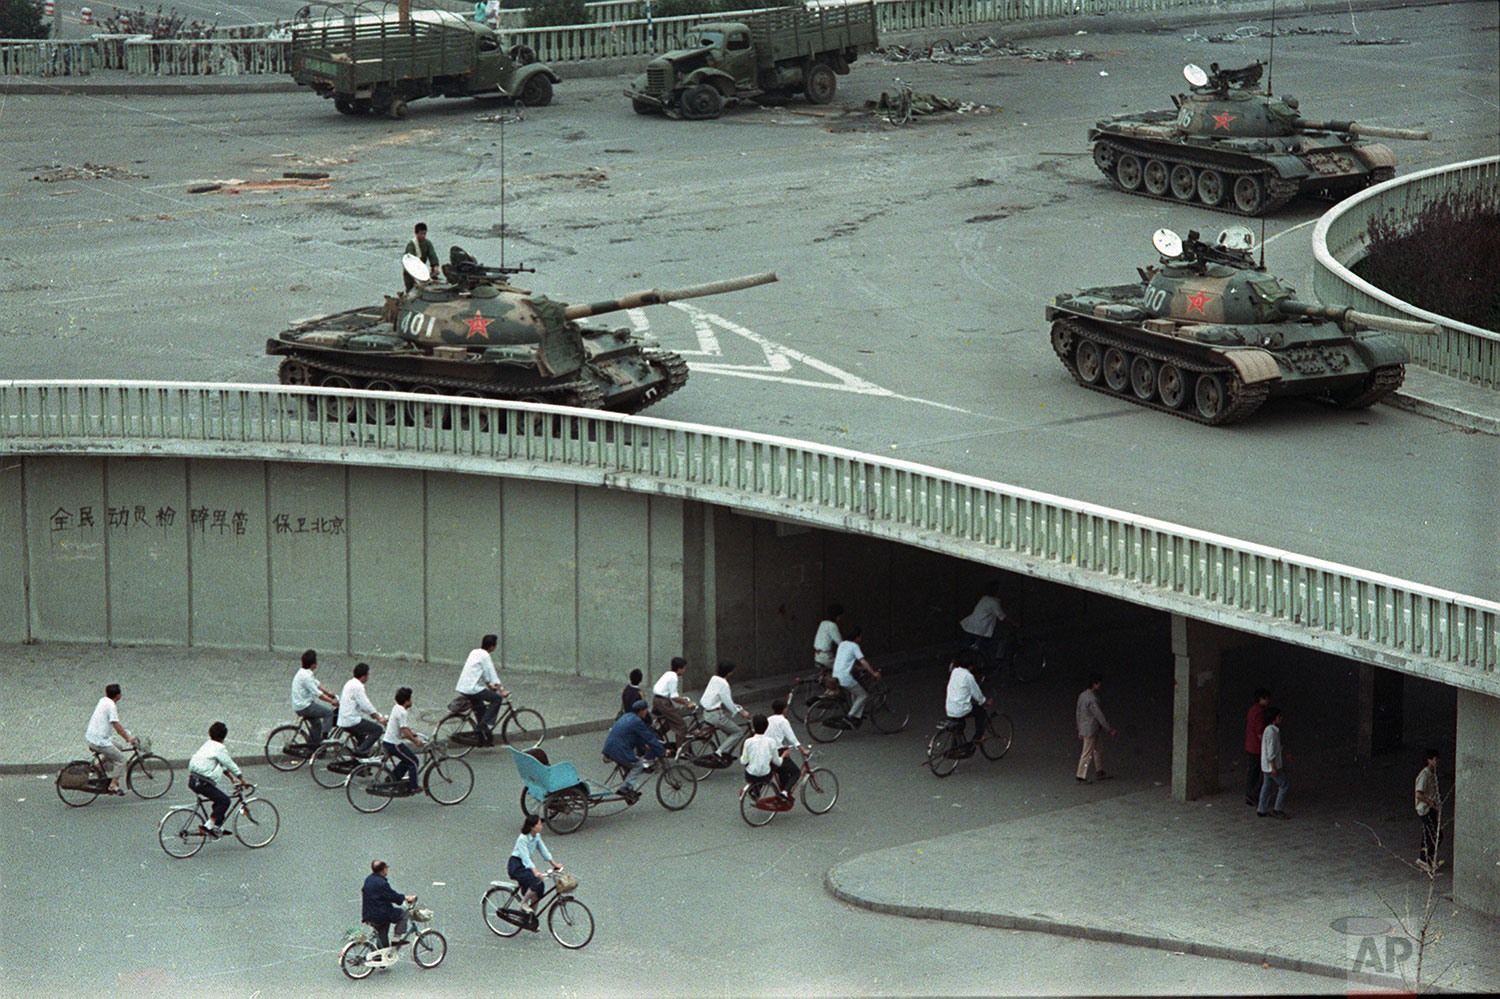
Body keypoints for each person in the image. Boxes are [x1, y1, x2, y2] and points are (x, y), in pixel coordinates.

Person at [188, 721, 249, 838]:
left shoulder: (208, 744)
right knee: (225, 801)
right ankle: (209, 825)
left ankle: (217, 826)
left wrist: (232, 778)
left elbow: (221, 764)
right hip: (202, 782)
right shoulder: (220, 748)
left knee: (218, 799)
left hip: (194, 780)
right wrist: (242, 779)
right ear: (223, 737)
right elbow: (229, 763)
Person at [602, 700, 666, 803]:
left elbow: (634, 735)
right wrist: (662, 751)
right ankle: (625, 789)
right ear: (641, 711)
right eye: (646, 710)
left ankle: (629, 793)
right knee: (638, 765)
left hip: (610, 748)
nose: (647, 712)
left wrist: (643, 746)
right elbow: (649, 737)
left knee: (629, 767)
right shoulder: (637, 721)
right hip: (619, 750)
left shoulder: (627, 716)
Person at [510, 814, 562, 927]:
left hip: (525, 865)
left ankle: (530, 919)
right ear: (532, 826)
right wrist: (535, 872)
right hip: (517, 866)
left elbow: (543, 850)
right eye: (539, 824)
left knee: (539, 889)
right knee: (536, 881)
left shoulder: (536, 836)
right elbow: (525, 858)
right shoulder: (522, 839)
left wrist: (555, 864)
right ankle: (523, 903)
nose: (541, 826)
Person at [85, 683, 138, 795]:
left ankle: (98, 767)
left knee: (118, 747)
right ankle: (113, 785)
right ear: (118, 695)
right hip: (100, 742)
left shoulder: (103, 700)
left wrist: (125, 733)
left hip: (93, 737)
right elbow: (116, 725)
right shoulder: (112, 706)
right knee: (122, 760)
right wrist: (128, 738)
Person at [959, 579, 1016, 680]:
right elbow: (1002, 616)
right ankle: (997, 659)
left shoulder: (984, 598)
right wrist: (1015, 623)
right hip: (981, 629)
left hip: (971, 626)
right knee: (1003, 638)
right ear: (997, 591)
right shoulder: (994, 602)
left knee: (979, 645)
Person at [456, 635, 507, 746]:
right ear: (492, 646)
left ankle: (483, 739)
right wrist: (501, 690)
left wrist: (489, 685)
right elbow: (492, 673)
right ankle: (481, 727)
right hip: (471, 688)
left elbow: (482, 671)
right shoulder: (485, 655)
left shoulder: (474, 652)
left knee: (481, 710)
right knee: (497, 699)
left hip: (463, 686)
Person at [831, 624, 879, 728]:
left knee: (855, 691)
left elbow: (848, 661)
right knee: (863, 695)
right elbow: (863, 661)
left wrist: (859, 669)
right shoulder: (854, 646)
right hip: (845, 677)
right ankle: (850, 716)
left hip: (835, 675)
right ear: (857, 637)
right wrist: (873, 672)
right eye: (860, 636)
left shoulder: (842, 644)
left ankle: (857, 716)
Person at [700, 660, 750, 760]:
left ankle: (725, 752)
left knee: (729, 731)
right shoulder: (724, 684)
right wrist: (742, 712)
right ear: (729, 672)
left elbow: (717, 697)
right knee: (737, 732)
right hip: (716, 716)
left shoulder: (714, 678)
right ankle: (718, 752)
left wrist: (734, 706)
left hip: (706, 713)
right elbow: (728, 703)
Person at [362, 859, 416, 950]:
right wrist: (405, 898)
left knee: (382, 935)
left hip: (369, 913)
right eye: (386, 868)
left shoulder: (369, 879)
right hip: (380, 914)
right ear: (383, 870)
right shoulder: (381, 883)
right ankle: (396, 938)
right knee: (404, 913)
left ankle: (381, 957)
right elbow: (392, 896)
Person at [945, 649, 992, 753]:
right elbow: (976, 694)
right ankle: (978, 737)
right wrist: (984, 701)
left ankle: (955, 747)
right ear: (971, 666)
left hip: (950, 707)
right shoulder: (968, 676)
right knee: (980, 712)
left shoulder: (955, 671)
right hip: (961, 709)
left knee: (959, 725)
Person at [291, 649, 339, 747]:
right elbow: (318, 694)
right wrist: (331, 701)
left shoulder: (304, 672)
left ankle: (313, 746)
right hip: (305, 707)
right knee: (328, 713)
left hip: (300, 705)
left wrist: (329, 693)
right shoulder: (306, 677)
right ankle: (324, 740)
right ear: (313, 664)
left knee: (317, 725)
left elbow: (317, 684)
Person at [338, 663, 387, 758]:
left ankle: (361, 765)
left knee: (362, 738)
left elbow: (361, 706)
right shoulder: (358, 686)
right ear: (364, 676)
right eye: (368, 675)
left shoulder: (349, 683)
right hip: (351, 720)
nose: (368, 677)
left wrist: (375, 715)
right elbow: (366, 704)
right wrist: (378, 718)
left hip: (343, 719)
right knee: (377, 730)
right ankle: (360, 753)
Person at [383, 687, 426, 793]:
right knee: (414, 761)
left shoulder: (396, 707)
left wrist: (412, 733)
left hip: (388, 741)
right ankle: (413, 786)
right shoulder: (403, 712)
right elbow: (404, 731)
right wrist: (416, 742)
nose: (411, 701)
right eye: (410, 699)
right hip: (394, 744)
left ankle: (392, 779)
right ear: (406, 701)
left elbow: (404, 728)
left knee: (406, 760)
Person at [1075, 674, 1116, 782]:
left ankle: (1099, 770)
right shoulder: (1092, 699)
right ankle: (1081, 775)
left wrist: (1079, 728)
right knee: (1087, 752)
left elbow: (1078, 713)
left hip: (1086, 728)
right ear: (1095, 684)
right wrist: (1109, 729)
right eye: (1099, 683)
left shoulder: (1082, 695)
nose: (1100, 685)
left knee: (1098, 749)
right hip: (1091, 729)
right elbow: (1099, 715)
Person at [765, 697, 810, 792]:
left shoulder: (768, 719)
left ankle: (782, 793)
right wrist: (803, 750)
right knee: (796, 772)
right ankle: (785, 793)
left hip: (766, 750)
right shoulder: (783, 721)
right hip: (777, 751)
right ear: (785, 709)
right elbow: (792, 738)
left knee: (783, 771)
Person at [740, 713, 789, 798]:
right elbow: (777, 762)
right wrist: (784, 755)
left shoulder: (748, 742)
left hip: (750, 775)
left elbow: (744, 760)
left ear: (754, 727)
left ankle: (755, 790)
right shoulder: (771, 742)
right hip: (765, 775)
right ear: (767, 727)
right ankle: (784, 792)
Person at [651, 657, 693, 751]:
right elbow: (674, 697)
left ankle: (656, 737)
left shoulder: (667, 674)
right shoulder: (673, 678)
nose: (684, 671)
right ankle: (681, 750)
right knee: (681, 724)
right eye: (684, 668)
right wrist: (688, 703)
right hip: (663, 702)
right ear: (679, 669)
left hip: (658, 700)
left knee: (670, 721)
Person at [1257, 706, 1289, 819]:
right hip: (1271, 766)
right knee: (1284, 785)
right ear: (1274, 719)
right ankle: (1277, 809)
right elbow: (1271, 751)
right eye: (1279, 717)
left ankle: (1261, 809)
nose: (1281, 718)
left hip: (1266, 766)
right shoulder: (1272, 732)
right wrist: (1273, 767)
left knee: (1267, 785)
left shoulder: (1269, 730)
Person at [1243, 687, 1271, 806]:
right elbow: (1259, 731)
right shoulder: (1259, 712)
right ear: (1261, 699)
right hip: (1256, 746)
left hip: (1249, 744)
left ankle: (1249, 794)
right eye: (1267, 698)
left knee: (1252, 772)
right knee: (1257, 773)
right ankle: (1253, 794)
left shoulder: (1252, 709)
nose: (1268, 701)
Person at [1415, 749, 1441, 872]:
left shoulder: (1432, 774)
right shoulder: (1424, 775)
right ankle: (1425, 859)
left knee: (1427, 834)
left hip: (1432, 808)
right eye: (1435, 759)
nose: (1437, 762)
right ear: (1429, 760)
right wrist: (1430, 802)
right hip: (1425, 809)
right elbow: (1418, 794)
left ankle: (1425, 859)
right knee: (1435, 834)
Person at [403, 221, 440, 292]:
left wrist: (435, 266)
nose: (423, 236)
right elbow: (411, 259)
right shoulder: (411, 245)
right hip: (410, 271)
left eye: (424, 234)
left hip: (421, 268)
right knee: (411, 290)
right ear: (416, 233)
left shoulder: (427, 243)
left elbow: (432, 254)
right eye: (421, 234)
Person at [812, 603, 844, 671]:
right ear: (837, 616)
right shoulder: (832, 625)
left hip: (817, 656)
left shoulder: (823, 623)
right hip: (826, 658)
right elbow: (840, 642)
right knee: (844, 667)